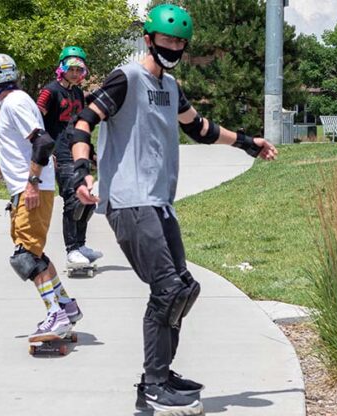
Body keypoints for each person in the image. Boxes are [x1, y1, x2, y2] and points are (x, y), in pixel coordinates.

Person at [68, 4, 278, 415]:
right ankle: (153, 385)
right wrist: (80, 172)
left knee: (184, 288)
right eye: (167, 40)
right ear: (149, 39)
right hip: (130, 201)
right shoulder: (125, 78)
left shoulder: (172, 86)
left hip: (159, 201)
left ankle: (161, 373)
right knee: (167, 290)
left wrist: (247, 142)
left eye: (180, 42)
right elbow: (82, 120)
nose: (174, 47)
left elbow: (199, 128)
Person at [0, 53, 82, 342]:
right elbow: (21, 147)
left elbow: (42, 143)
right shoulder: (19, 102)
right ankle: (67, 307)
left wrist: (32, 184)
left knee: (25, 257)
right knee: (34, 253)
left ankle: (55, 315)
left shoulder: (14, 102)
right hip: (29, 187)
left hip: (32, 189)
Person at [36, 46, 102, 267]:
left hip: (77, 151)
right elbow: (36, 122)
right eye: (71, 68)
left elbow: (81, 126)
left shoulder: (76, 93)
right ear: (61, 68)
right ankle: (71, 250)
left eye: (79, 69)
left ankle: (81, 245)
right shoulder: (50, 92)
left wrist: (90, 153)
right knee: (72, 200)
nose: (75, 73)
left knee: (88, 201)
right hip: (60, 154)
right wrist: (46, 151)